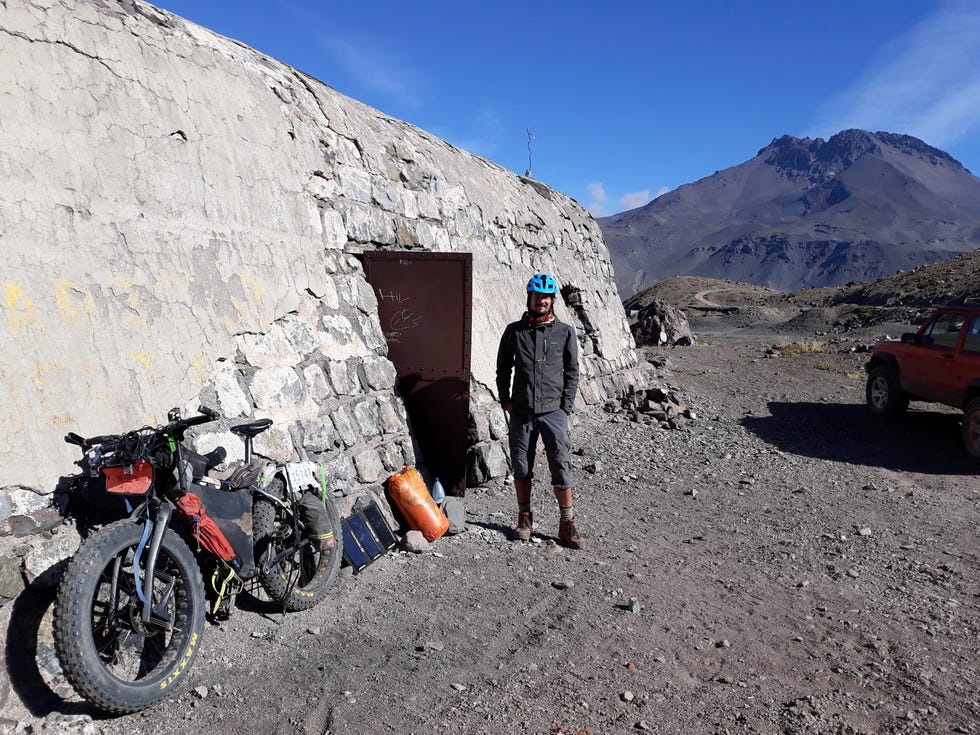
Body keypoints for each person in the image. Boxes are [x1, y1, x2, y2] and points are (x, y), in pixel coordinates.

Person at [495, 272, 583, 549]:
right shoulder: (514, 331)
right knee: (521, 466)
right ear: (529, 298)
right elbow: (503, 368)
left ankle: (567, 523)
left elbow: (572, 371)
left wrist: (565, 406)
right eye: (537, 296)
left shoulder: (565, 332)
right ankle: (524, 517)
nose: (541, 301)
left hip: (553, 411)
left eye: (546, 297)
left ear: (552, 300)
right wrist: (505, 400)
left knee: (561, 464)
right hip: (521, 410)